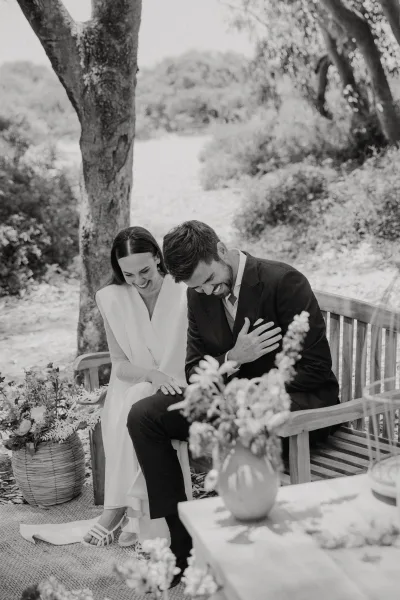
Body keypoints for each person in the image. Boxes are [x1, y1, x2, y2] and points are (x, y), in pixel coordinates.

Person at [126, 220, 339, 587]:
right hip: (229, 406)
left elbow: (316, 371)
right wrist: (233, 357)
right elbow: (195, 371)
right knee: (145, 415)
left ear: (221, 250)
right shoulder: (198, 294)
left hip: (293, 410)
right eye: (199, 287)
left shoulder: (282, 282)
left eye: (210, 280)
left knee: (236, 432)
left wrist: (247, 392)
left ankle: (259, 561)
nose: (208, 291)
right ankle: (181, 546)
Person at [81, 226, 192, 548]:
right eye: (129, 275)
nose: (139, 281)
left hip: (181, 386)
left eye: (145, 271)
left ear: (158, 257)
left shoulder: (184, 290)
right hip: (135, 383)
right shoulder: (111, 299)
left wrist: (164, 378)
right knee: (134, 397)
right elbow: (121, 364)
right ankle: (134, 514)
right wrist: (152, 376)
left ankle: (119, 511)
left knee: (137, 402)